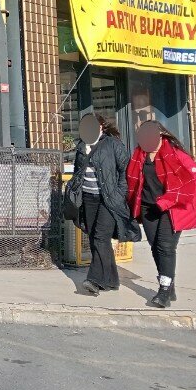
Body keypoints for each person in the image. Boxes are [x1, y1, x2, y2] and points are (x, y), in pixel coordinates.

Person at [126, 121, 196, 308]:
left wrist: (167, 201)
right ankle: (169, 284)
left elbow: (194, 181)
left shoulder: (176, 155)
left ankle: (164, 290)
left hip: (172, 208)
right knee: (155, 246)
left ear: (160, 135)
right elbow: (133, 182)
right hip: (149, 208)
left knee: (165, 248)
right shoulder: (139, 155)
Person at [68, 113, 141, 295]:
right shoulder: (81, 147)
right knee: (95, 238)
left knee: (101, 237)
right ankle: (111, 280)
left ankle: (94, 279)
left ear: (101, 126)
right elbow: (79, 172)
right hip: (88, 198)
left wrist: (119, 194)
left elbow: (126, 170)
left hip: (109, 199)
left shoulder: (113, 144)